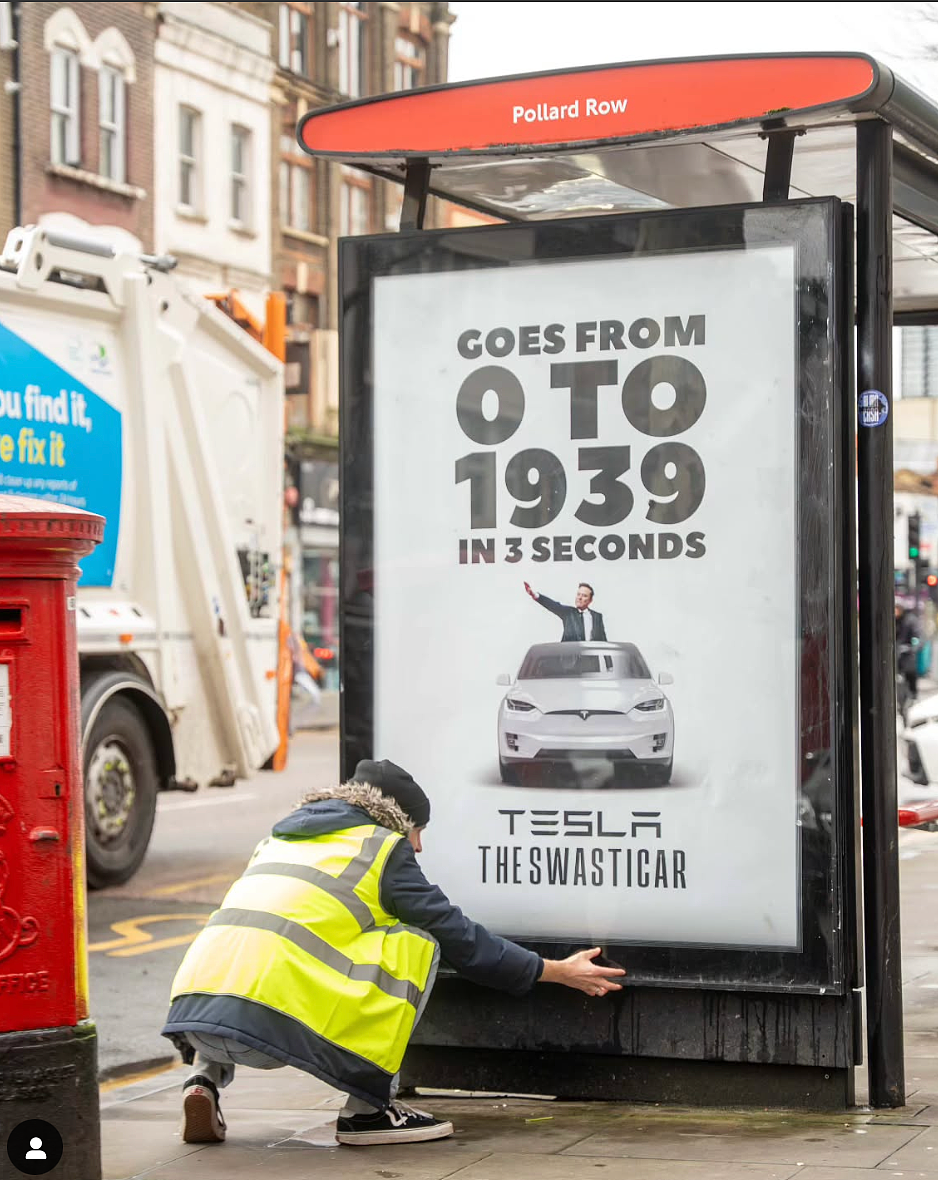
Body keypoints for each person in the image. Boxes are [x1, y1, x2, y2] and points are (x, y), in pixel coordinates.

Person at [161, 759, 625, 1148]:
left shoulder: (280, 839)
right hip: (273, 1027)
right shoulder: (382, 848)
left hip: (197, 1016)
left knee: (251, 946)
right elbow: (462, 938)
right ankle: (368, 1111)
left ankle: (202, 1084)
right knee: (417, 943)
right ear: (397, 819)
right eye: (417, 829)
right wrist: (553, 970)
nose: (419, 844)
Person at [524, 580, 607, 642]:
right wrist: (534, 595)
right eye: (578, 594)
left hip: (591, 662)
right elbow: (552, 605)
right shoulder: (568, 613)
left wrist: (609, 664)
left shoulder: (597, 617)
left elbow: (603, 640)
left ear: (590, 600)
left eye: (584, 596)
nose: (579, 598)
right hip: (570, 661)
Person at [896, 600, 922, 702]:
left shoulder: (910, 620)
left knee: (911, 673)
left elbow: (917, 637)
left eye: (898, 608)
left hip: (908, 654)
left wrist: (913, 647)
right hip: (897, 654)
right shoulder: (895, 620)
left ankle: (913, 695)